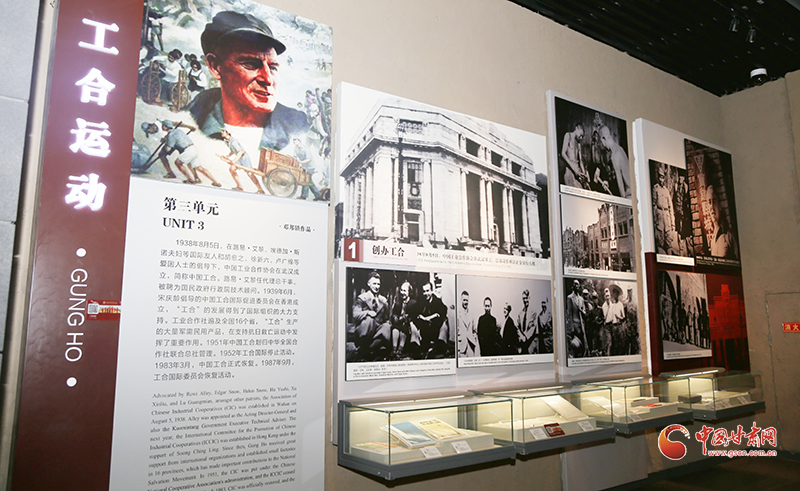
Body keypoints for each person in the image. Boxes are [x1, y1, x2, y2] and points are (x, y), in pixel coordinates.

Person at [188, 11, 309, 151]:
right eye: (251, 64)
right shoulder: (191, 117)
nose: (268, 79)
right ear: (215, 67)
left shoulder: (298, 126)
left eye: (273, 67)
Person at [159, 120, 221, 187]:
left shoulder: (171, 135)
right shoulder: (178, 131)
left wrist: (167, 142)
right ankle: (216, 182)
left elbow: (168, 149)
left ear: (165, 127)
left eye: (163, 125)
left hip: (187, 150)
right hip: (193, 149)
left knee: (178, 163)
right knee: (199, 168)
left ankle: (191, 180)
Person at [351, 272, 392, 359]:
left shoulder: (383, 300)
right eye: (374, 284)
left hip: (377, 333)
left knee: (387, 326)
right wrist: (367, 313)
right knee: (369, 320)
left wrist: (387, 322)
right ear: (368, 284)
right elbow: (355, 314)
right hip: (365, 332)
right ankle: (363, 348)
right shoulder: (362, 298)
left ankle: (369, 350)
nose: (377, 286)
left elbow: (386, 318)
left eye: (378, 284)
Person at [411, 282, 448, 358]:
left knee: (445, 322)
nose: (425, 293)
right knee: (412, 323)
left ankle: (441, 343)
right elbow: (414, 313)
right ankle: (415, 344)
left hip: (435, 328)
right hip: (424, 330)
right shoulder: (421, 301)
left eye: (427, 291)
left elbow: (443, 312)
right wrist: (421, 317)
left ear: (431, 291)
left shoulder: (437, 301)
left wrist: (431, 317)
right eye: (424, 291)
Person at [703, 184, 739, 258]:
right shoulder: (712, 240)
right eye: (709, 202)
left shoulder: (729, 236)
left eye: (714, 201)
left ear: (719, 205)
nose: (712, 206)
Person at [653, 163, 679, 254]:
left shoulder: (666, 191)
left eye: (663, 177)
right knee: (660, 241)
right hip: (659, 216)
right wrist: (655, 221)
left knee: (669, 242)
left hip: (667, 217)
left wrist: (672, 223)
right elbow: (654, 205)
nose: (661, 179)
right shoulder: (655, 188)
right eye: (660, 177)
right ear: (658, 178)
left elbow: (671, 207)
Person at [599, 125, 631, 198]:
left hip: (628, 195)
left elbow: (620, 183)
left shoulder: (614, 155)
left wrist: (623, 201)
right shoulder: (620, 149)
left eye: (601, 142)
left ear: (603, 138)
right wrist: (607, 182)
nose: (603, 145)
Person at [390, 281, 416, 359]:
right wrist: (395, 317)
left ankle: (400, 350)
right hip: (398, 324)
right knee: (395, 329)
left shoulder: (413, 303)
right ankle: (394, 349)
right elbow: (394, 314)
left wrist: (405, 318)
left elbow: (413, 316)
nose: (402, 292)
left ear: (409, 292)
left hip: (407, 327)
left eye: (404, 291)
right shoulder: (398, 303)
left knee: (403, 329)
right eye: (401, 290)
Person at [560, 123, 589, 189]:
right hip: (569, 170)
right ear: (576, 128)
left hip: (577, 171)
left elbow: (580, 161)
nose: (581, 138)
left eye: (582, 137)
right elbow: (563, 153)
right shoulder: (568, 135)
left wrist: (584, 174)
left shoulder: (578, 144)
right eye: (580, 135)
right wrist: (573, 168)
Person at [565, 279, 588, 358]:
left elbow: (584, 312)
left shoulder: (581, 299)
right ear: (573, 286)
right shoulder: (570, 298)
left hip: (581, 325)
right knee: (575, 344)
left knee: (582, 345)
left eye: (577, 284)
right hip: (574, 325)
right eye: (574, 284)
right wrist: (571, 327)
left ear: (579, 286)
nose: (576, 286)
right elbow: (569, 313)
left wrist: (581, 310)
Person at [457, 291, 479, 357]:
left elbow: (474, 329)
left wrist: (474, 339)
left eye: (467, 300)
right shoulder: (458, 313)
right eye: (464, 300)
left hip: (471, 345)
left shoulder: (471, 314)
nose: (466, 302)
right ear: (461, 300)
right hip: (461, 346)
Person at [516, 289, 538, 354]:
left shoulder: (534, 312)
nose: (525, 300)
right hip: (522, 344)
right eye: (523, 298)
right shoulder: (520, 313)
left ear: (529, 298)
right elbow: (517, 327)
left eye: (526, 298)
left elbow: (533, 327)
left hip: (531, 344)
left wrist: (525, 337)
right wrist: (521, 337)